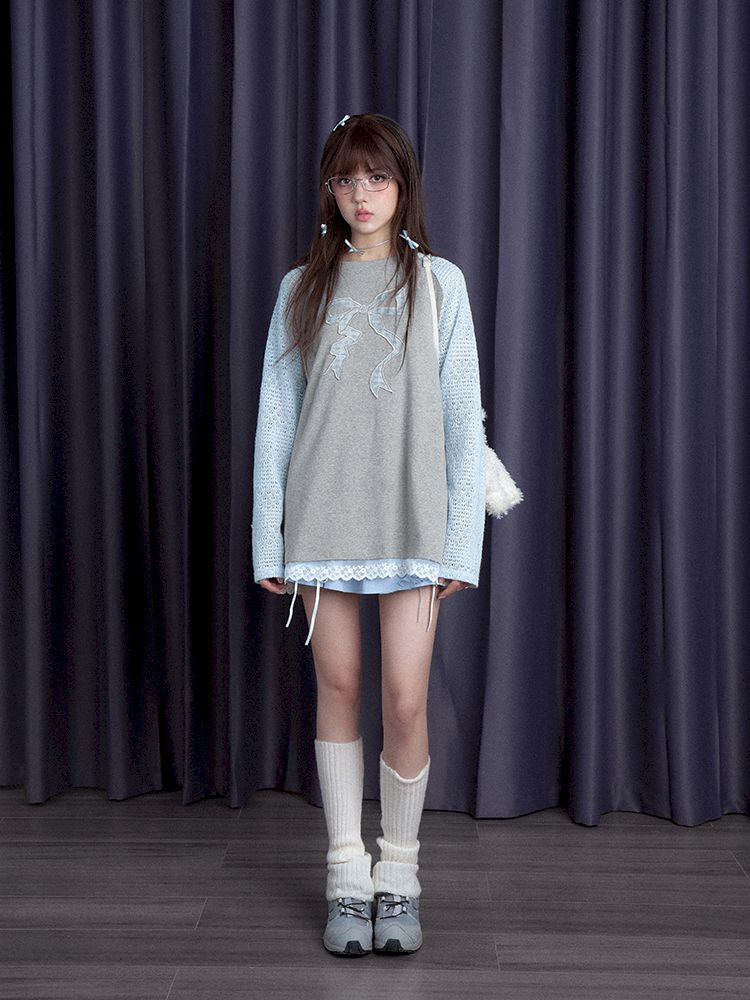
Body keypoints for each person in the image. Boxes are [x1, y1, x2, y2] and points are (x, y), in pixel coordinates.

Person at [252, 112, 486, 957]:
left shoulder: (440, 284)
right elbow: (277, 419)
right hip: (322, 516)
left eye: (377, 178)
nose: (361, 194)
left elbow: (463, 417)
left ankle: (401, 876)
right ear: (329, 189)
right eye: (346, 179)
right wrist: (267, 539)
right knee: (341, 685)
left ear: (402, 185)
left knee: (407, 699)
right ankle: (348, 878)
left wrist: (462, 542)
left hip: (413, 517)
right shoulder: (301, 288)